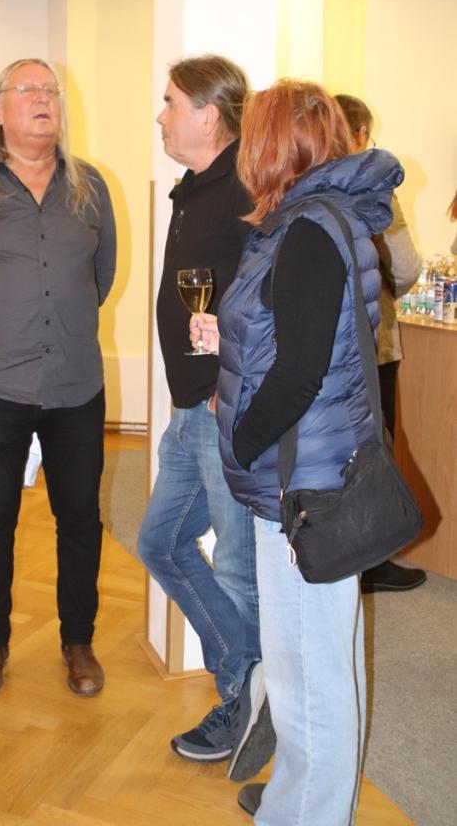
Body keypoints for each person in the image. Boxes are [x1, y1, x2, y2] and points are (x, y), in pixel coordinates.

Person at [192, 80, 403, 824]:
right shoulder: (312, 219)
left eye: (251, 136)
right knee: (315, 662)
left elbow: (300, 371)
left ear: (273, 146)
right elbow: (294, 337)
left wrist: (242, 441)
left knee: (308, 674)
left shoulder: (310, 228)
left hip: (299, 483)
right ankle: (302, 797)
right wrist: (229, 340)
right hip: (305, 469)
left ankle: (309, 812)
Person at [0, 58, 116, 699]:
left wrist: (57, 326)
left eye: (50, 90)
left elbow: (102, 274)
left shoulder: (89, 187)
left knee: (80, 518)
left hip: (75, 385)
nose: (43, 98)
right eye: (27, 89)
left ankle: (78, 642)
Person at [137, 55, 271, 779]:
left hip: (224, 413)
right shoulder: (191, 190)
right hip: (189, 411)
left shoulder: (246, 190)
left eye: (169, 103)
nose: (160, 116)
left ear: (208, 115)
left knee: (240, 572)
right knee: (159, 544)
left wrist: (231, 385)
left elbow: (268, 300)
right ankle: (247, 683)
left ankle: (243, 703)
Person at [335, 94, 426, 594]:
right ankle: (371, 562)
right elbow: (406, 267)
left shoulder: (304, 183)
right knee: (375, 448)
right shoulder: (376, 187)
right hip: (373, 342)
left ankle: (336, 552)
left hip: (325, 347)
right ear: (360, 135)